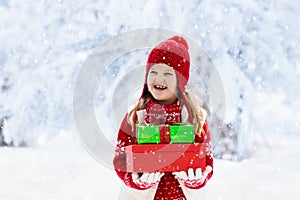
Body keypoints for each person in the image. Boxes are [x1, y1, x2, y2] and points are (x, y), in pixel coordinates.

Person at [113, 35, 213, 200]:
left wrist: (195, 181)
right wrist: (137, 181)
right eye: (153, 71)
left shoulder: (196, 119)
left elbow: (206, 162)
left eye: (168, 73)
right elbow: (120, 158)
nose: (159, 78)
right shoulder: (135, 117)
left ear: (180, 81)